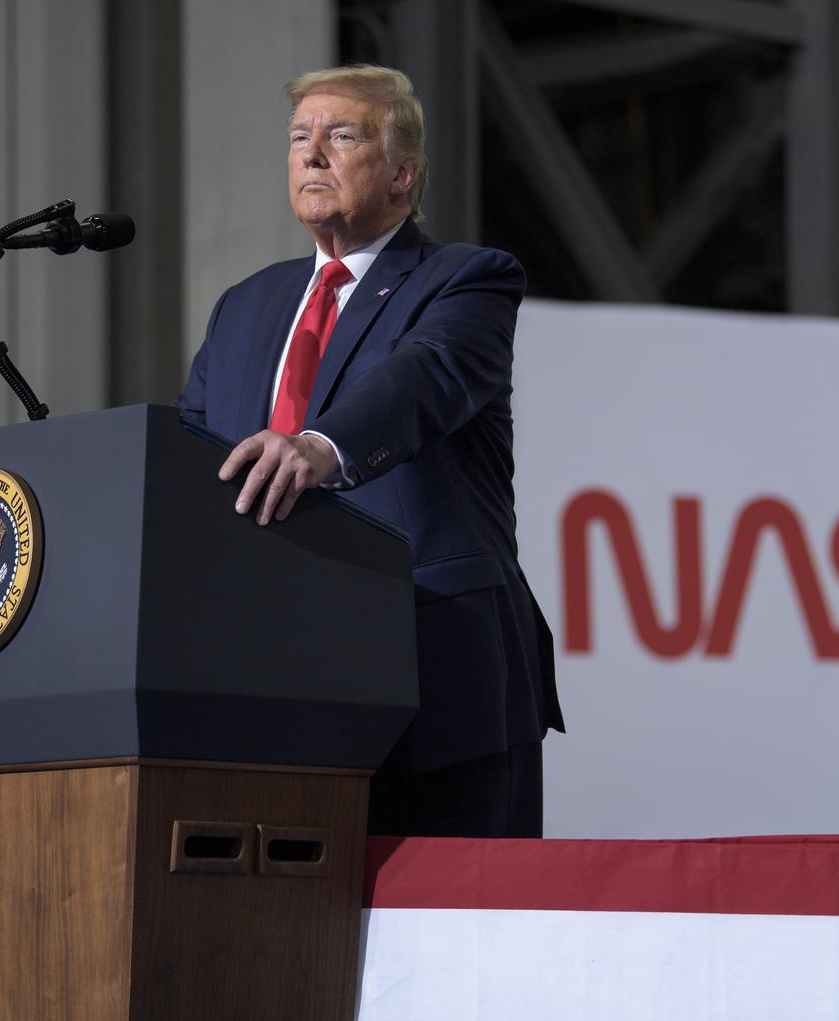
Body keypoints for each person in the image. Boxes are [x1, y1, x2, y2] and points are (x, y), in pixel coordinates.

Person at [175, 64, 562, 836]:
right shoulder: (245, 305)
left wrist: (321, 445)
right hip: (270, 687)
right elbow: (193, 452)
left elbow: (426, 381)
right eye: (298, 138)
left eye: (340, 136)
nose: (311, 154)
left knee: (459, 939)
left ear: (402, 174)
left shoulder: (466, 280)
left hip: (439, 684)